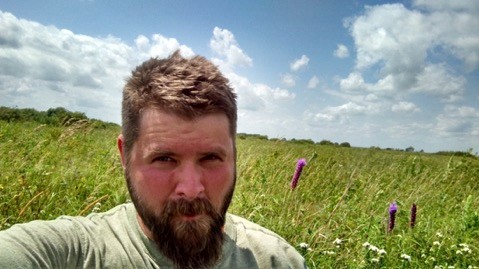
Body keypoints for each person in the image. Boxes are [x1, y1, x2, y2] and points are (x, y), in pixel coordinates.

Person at [0, 50, 307, 268]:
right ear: (125, 156)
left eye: (211, 157)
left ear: (234, 156)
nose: (191, 188)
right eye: (164, 158)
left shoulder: (278, 261)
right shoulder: (74, 254)